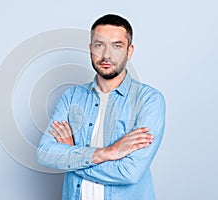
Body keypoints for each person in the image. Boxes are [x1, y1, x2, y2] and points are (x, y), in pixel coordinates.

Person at [37, 14, 165, 200]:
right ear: (90, 49)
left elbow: (129, 172)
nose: (106, 55)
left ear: (130, 51)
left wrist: (72, 157)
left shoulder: (149, 100)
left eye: (117, 46)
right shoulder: (72, 97)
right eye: (99, 45)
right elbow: (45, 153)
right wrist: (108, 152)